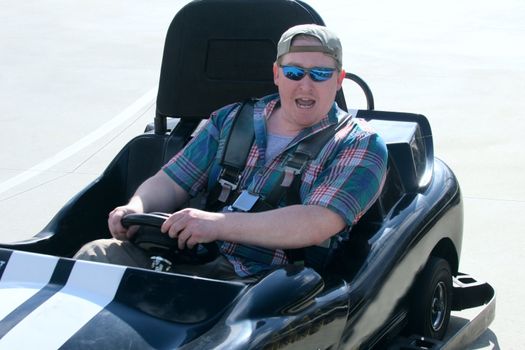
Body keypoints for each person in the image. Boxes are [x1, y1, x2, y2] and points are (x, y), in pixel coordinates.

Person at [74, 24, 388, 281]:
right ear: (277, 74)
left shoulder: (360, 145)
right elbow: (171, 182)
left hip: (267, 284)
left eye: (319, 74)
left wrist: (214, 224)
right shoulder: (232, 120)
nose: (306, 85)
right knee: (96, 257)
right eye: (295, 73)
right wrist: (134, 208)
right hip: (191, 257)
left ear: (339, 79)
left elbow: (316, 222)